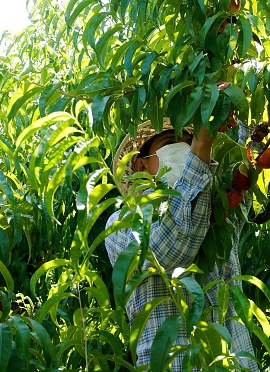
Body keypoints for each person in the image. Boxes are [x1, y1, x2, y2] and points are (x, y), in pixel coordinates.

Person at [105, 118, 259, 371]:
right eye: (170, 141)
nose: (185, 148)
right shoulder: (123, 223)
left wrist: (242, 115)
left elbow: (243, 177)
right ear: (141, 164)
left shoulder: (214, 208)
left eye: (188, 141)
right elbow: (174, 250)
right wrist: (200, 148)